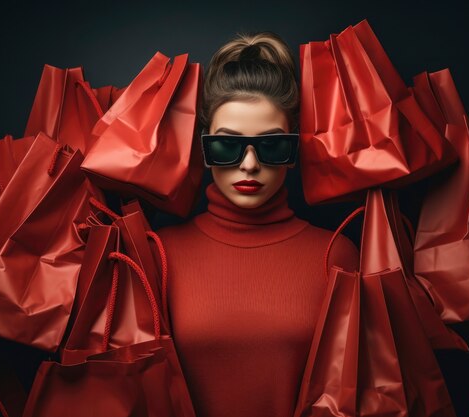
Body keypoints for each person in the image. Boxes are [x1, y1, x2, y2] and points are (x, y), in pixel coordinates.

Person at [155, 31, 359, 417]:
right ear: (204, 149)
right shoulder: (159, 253)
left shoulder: (336, 255)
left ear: (293, 152)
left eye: (272, 145)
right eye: (228, 146)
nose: (249, 164)